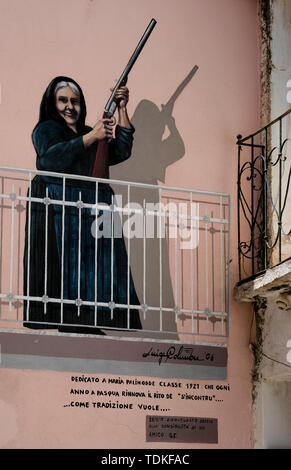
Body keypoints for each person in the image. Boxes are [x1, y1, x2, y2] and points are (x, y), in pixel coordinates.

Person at [23, 75, 142, 334]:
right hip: (57, 205)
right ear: (52, 103)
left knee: (94, 265)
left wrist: (121, 109)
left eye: (74, 101)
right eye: (63, 100)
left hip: (89, 207)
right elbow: (48, 159)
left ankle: (90, 320)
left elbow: (120, 152)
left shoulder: (90, 132)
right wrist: (92, 137)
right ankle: (68, 320)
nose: (70, 106)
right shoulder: (45, 129)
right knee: (65, 264)